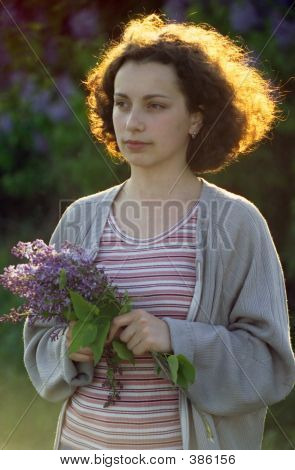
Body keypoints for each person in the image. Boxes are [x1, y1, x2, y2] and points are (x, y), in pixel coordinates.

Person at [23, 12, 295, 450]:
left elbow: (269, 367)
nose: (132, 122)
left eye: (156, 105)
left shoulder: (237, 223)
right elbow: (40, 343)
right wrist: (69, 347)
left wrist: (175, 337)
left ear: (195, 118)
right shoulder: (79, 218)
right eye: (122, 103)